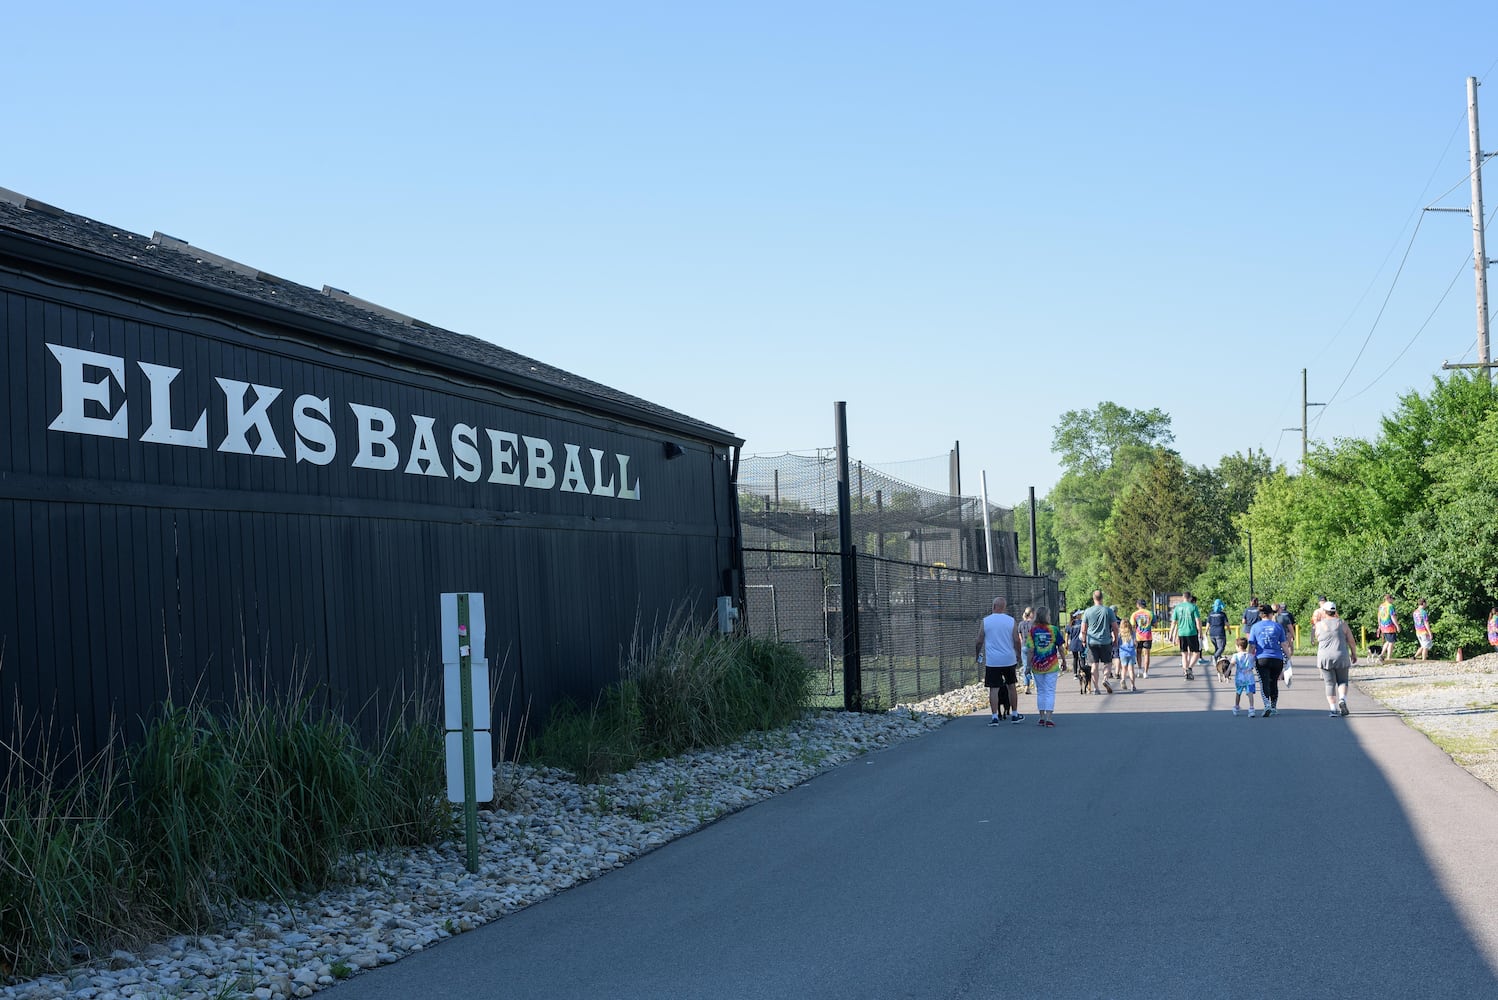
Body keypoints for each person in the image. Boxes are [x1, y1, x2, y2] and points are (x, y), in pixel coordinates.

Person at [975, 596, 1024, 725]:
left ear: (993, 606)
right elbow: (1016, 640)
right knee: (1011, 686)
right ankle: (1014, 714)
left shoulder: (986, 621)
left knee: (994, 689)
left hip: (993, 660)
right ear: (1004, 608)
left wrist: (977, 653)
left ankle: (995, 717)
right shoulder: (1010, 621)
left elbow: (979, 639)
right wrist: (1018, 653)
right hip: (1008, 658)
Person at [1315, 600, 1358, 717]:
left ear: (1324, 612)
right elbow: (1351, 641)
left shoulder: (1319, 625)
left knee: (1329, 684)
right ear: (1335, 611)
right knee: (1343, 681)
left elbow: (1317, 639)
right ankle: (1342, 699)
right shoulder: (1342, 623)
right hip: (1341, 655)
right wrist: (1354, 653)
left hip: (1325, 657)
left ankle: (1333, 709)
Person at [1026, 605, 1065, 727]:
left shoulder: (1033, 631)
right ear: (1046, 616)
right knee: (1050, 691)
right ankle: (1049, 717)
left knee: (1041, 691)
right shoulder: (1053, 629)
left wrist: (1028, 665)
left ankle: (1041, 716)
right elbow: (1060, 647)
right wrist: (1064, 660)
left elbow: (1031, 649)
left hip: (1037, 665)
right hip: (1051, 664)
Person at [1248, 604, 1288, 716]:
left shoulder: (1255, 627)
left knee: (1263, 682)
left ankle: (1267, 705)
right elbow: (1284, 644)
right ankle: (1274, 706)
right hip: (1277, 658)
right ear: (1271, 614)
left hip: (1261, 658)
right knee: (1274, 682)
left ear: (1261, 615)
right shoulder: (1278, 626)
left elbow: (1252, 646)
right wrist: (1288, 657)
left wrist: (1249, 657)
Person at [1081, 590, 1121, 694]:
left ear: (1093, 598)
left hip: (1092, 641)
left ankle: (1096, 688)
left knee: (1094, 665)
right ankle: (1105, 679)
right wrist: (1116, 639)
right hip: (1105, 641)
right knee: (1107, 663)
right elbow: (1115, 627)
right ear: (1102, 598)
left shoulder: (1087, 611)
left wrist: (1084, 640)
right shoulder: (1108, 611)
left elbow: (1083, 629)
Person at [1170, 592, 1204, 680]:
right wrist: (1200, 631)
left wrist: (1171, 633)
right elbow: (1198, 621)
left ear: (1183, 597)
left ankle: (1185, 672)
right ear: (1190, 598)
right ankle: (1190, 668)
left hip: (1181, 633)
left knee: (1184, 654)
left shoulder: (1177, 608)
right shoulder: (1193, 607)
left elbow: (1174, 622)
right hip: (1192, 632)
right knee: (1196, 653)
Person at [1230, 636, 1259, 717]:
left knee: (1238, 692)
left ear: (1239, 646)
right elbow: (1254, 664)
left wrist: (1228, 671)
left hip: (1239, 677)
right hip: (1249, 677)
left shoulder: (1236, 656)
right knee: (1250, 693)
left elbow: (1232, 663)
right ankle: (1251, 708)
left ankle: (1236, 707)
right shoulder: (1251, 656)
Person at [1274, 602, 1297, 688]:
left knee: (1276, 656)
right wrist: (1293, 637)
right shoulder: (1284, 618)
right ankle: (1282, 674)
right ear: (1279, 609)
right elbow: (1290, 628)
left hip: (1273, 641)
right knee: (1283, 657)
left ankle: (1278, 674)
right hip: (1283, 639)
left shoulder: (1271, 619)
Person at [1130, 599, 1154, 679]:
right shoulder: (1150, 613)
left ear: (1138, 605)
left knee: (1138, 653)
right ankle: (1145, 672)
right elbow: (1155, 624)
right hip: (1147, 636)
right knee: (1147, 654)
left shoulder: (1134, 614)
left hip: (1138, 636)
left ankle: (1140, 669)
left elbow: (1132, 626)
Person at [1377, 593, 1400, 663]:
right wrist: (1397, 626)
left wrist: (1379, 626)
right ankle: (1389, 658)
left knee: (1388, 641)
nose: (1393, 600)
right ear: (1389, 599)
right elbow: (1393, 617)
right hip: (1390, 627)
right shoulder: (1390, 606)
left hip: (1383, 626)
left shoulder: (1381, 606)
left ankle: (1381, 654)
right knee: (1391, 642)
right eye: (1392, 599)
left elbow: (1379, 617)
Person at [1018, 606, 1036, 693]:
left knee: (1026, 666)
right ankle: (1037, 686)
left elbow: (1020, 637)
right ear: (1031, 614)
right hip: (1032, 647)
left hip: (1024, 646)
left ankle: (1026, 686)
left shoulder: (1021, 624)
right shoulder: (1034, 624)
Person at [1207, 599, 1230, 663]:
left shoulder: (1210, 614)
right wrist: (1229, 630)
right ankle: (1215, 656)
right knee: (1221, 647)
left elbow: (1208, 623)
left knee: (1217, 647)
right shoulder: (1222, 614)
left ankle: (1217, 660)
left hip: (1212, 634)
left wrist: (1206, 631)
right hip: (1220, 633)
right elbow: (1226, 623)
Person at [1118, 620, 1138, 692]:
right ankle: (1133, 685)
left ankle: (1123, 679)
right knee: (1131, 670)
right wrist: (1135, 646)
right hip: (1131, 652)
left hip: (1123, 653)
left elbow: (1117, 642)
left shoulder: (1120, 633)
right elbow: (1135, 643)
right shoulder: (1132, 632)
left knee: (1123, 669)